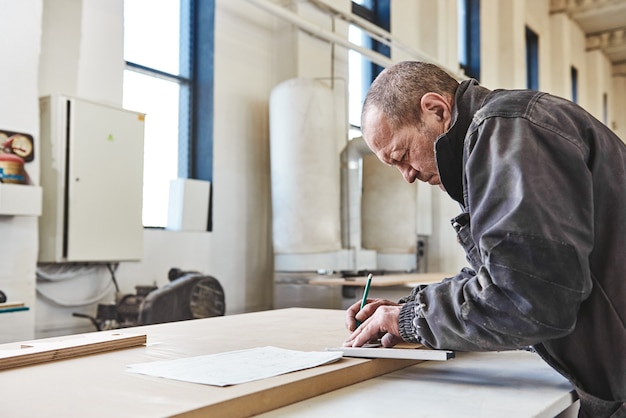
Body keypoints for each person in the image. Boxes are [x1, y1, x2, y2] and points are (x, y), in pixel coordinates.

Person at [343, 61, 625, 417]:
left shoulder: (510, 132)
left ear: (435, 110)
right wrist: (408, 307)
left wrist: (413, 319)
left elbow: (528, 299)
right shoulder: (507, 133)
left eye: (401, 156)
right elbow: (507, 272)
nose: (407, 176)